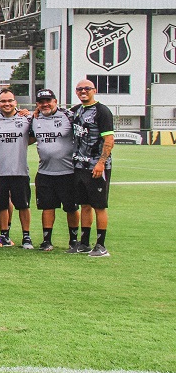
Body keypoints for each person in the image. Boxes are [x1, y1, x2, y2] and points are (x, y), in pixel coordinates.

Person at [69, 79, 115, 257]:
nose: (83, 91)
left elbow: (109, 140)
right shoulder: (77, 110)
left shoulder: (101, 111)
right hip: (80, 165)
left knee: (99, 206)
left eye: (87, 89)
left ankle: (101, 245)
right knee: (85, 205)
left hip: (96, 166)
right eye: (79, 89)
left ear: (94, 90)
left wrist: (101, 163)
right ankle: (84, 243)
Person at [29, 88, 78, 252]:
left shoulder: (69, 115)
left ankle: (74, 240)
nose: (45, 104)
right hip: (45, 172)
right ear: (37, 104)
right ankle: (46, 240)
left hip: (68, 172)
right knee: (47, 207)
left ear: (55, 101)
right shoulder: (33, 118)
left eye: (48, 101)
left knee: (71, 208)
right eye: (41, 102)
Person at [0, 89, 33, 248]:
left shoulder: (26, 119)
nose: (7, 104)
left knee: (23, 205)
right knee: (1, 205)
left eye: (10, 101)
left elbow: (33, 137)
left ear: (15, 102)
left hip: (20, 170)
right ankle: (4, 235)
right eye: (3, 101)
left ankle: (26, 237)